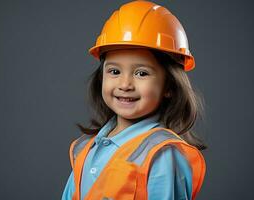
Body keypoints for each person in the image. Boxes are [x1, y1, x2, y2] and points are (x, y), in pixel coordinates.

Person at [62, 1, 207, 200]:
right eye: (114, 71)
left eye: (141, 73)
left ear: (169, 86)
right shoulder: (87, 148)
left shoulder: (161, 154)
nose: (125, 84)